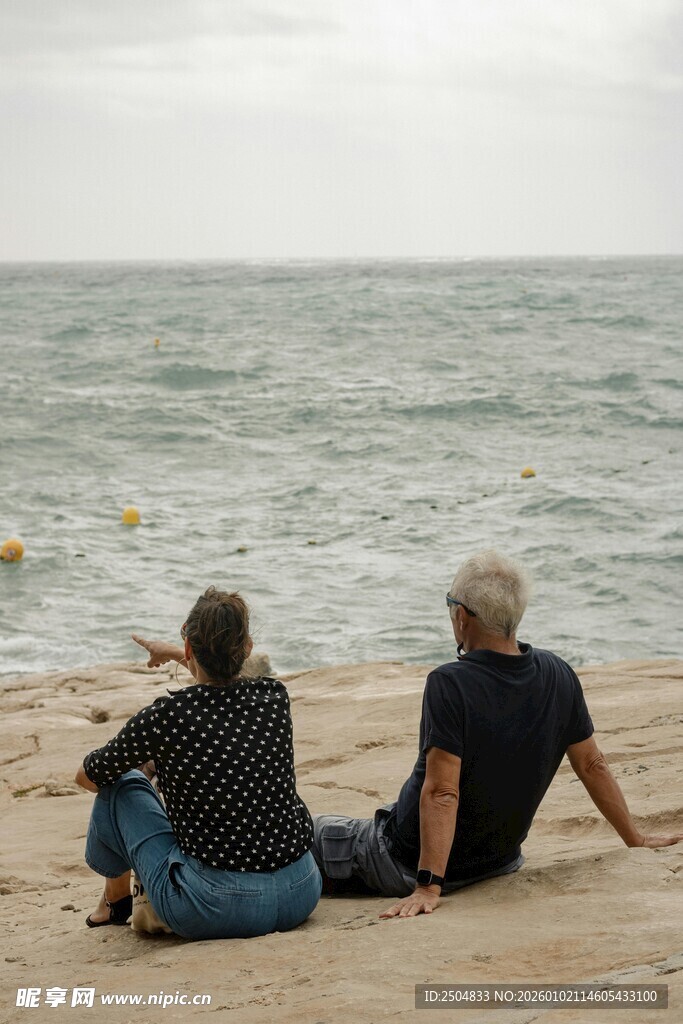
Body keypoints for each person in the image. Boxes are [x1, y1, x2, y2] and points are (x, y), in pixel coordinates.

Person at [311, 550, 683, 921]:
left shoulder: (449, 683)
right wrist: (635, 838)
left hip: (403, 860)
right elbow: (592, 764)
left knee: (301, 829)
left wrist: (428, 887)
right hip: (501, 862)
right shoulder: (558, 672)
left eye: (450, 604)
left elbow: (443, 793)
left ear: (462, 615)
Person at [75, 586, 321, 940]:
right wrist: (179, 653)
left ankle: (114, 901)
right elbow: (225, 690)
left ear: (190, 648)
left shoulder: (167, 717)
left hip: (217, 906)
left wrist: (151, 761)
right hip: (301, 890)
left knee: (121, 781)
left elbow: (88, 777)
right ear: (248, 647)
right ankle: (114, 902)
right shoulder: (274, 697)